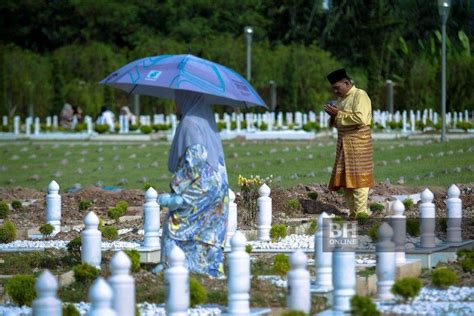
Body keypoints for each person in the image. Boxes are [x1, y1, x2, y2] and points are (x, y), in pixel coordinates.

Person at [158, 90, 229, 277]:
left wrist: (177, 194)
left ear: (186, 97)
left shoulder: (190, 123)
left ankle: (173, 267)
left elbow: (194, 163)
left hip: (199, 191)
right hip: (218, 188)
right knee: (209, 230)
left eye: (178, 97)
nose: (176, 102)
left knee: (175, 225)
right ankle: (211, 269)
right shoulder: (205, 119)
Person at [324, 68, 374, 217]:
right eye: (333, 89)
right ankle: (353, 215)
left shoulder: (360, 95)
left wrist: (337, 114)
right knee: (347, 183)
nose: (335, 91)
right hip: (344, 146)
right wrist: (333, 116)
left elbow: (361, 119)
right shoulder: (342, 100)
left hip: (358, 147)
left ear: (346, 83)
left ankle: (361, 216)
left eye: (337, 88)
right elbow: (337, 122)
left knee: (359, 183)